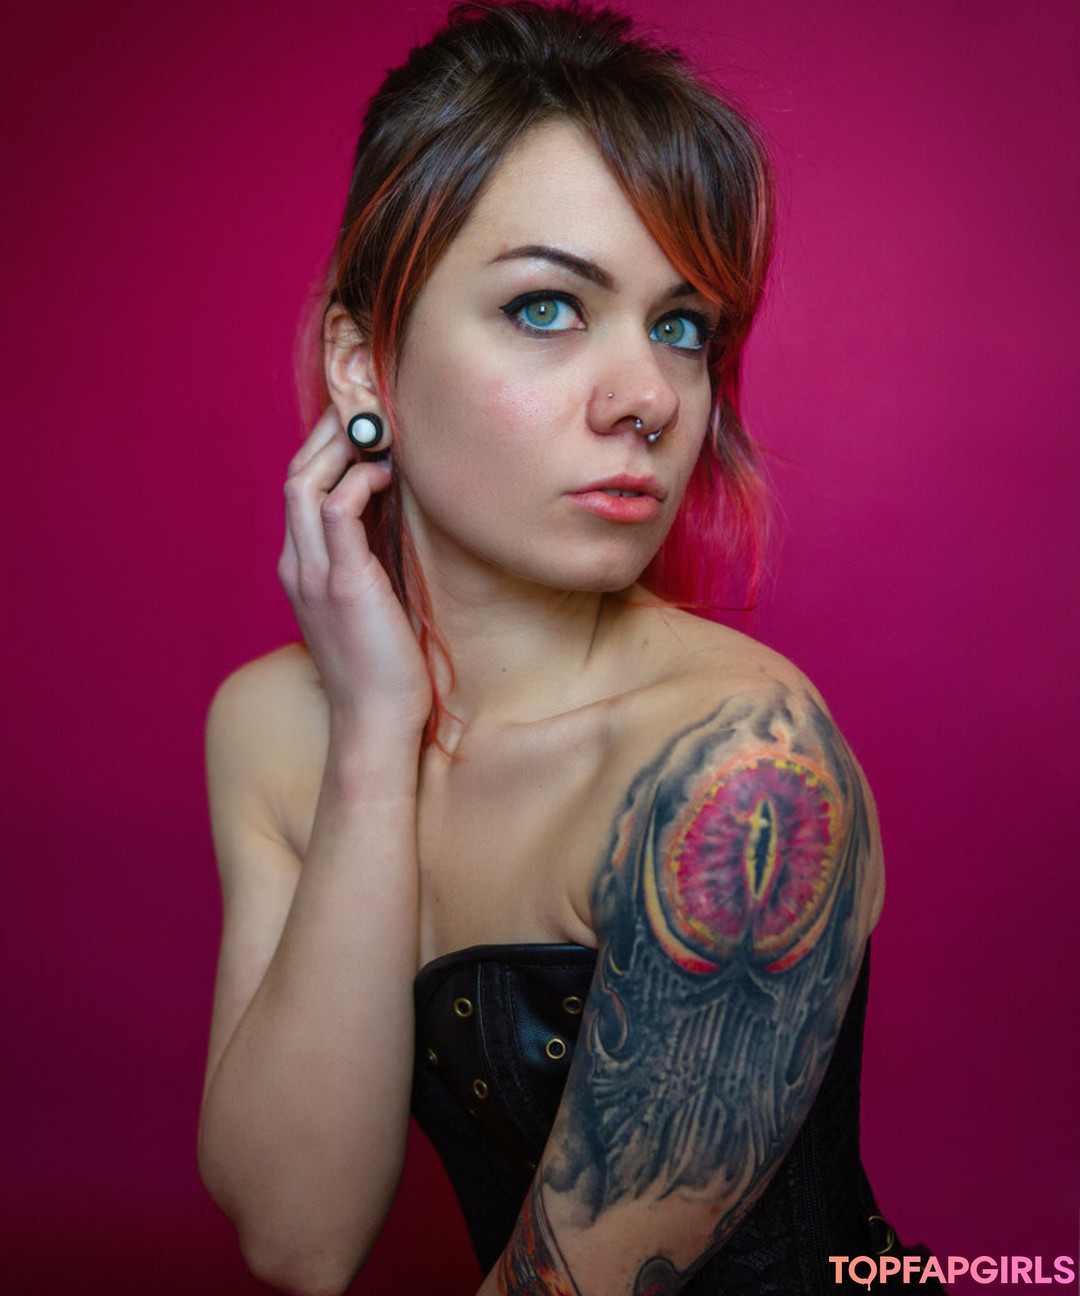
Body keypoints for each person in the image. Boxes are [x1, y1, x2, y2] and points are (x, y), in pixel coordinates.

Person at [198, 3, 933, 1292]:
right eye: (547, 307)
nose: (648, 398)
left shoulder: (741, 774)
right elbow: (297, 1238)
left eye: (682, 325)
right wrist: (373, 740)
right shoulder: (272, 726)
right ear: (365, 365)